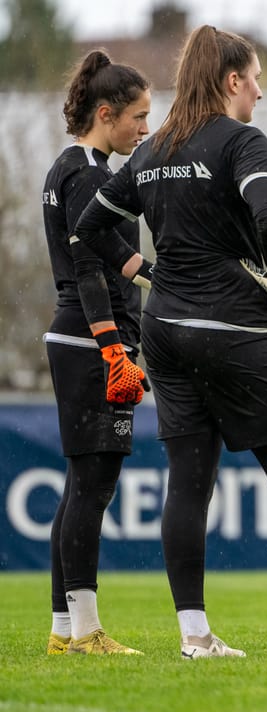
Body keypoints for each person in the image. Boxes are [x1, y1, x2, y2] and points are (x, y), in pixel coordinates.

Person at [71, 25, 267, 659]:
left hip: (165, 331)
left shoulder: (153, 146)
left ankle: (195, 636)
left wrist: (150, 272)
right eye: (258, 78)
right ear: (232, 81)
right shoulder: (243, 140)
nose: (262, 93)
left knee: (188, 483)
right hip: (234, 328)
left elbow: (91, 226)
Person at [42, 50, 152, 656]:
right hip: (90, 340)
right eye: (137, 116)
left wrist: (158, 276)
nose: (144, 128)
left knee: (80, 484)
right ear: (105, 113)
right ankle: (85, 630)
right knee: (93, 486)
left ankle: (64, 631)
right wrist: (113, 348)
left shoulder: (69, 165)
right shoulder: (90, 173)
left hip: (77, 336)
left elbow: (113, 255)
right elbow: (87, 266)